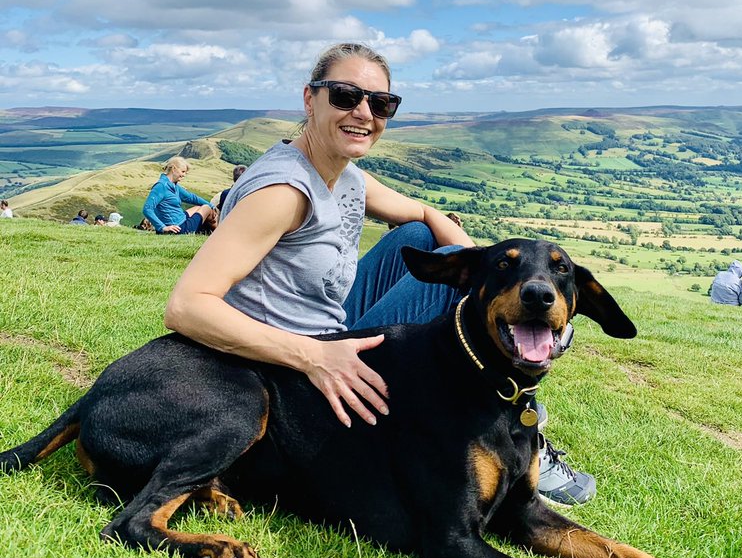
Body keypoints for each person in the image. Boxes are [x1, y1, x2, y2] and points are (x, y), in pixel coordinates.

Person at [164, 41, 594, 506]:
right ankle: (508, 422)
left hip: (328, 325)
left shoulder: (344, 173)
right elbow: (186, 307)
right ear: (311, 99)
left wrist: (479, 266)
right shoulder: (283, 192)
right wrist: (312, 356)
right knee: (464, 298)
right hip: (288, 352)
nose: (364, 112)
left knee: (426, 237)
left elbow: (425, 212)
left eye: (380, 102)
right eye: (346, 97)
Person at [142, 157, 214, 235]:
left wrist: (213, 206)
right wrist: (162, 227)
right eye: (182, 171)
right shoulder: (161, 186)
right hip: (179, 229)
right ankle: (219, 232)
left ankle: (207, 231)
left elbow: (191, 198)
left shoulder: (174, 185)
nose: (184, 175)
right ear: (173, 169)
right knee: (206, 208)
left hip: (180, 221)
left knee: (199, 207)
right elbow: (147, 209)